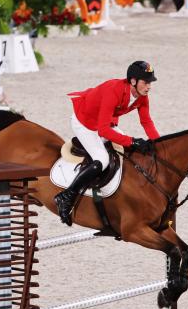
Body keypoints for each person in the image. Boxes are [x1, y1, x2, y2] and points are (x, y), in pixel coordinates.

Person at [54, 60, 162, 226]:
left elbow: (146, 121)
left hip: (104, 122)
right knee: (102, 160)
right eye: (146, 82)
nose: (149, 87)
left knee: (128, 151)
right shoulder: (114, 90)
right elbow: (103, 131)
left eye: (150, 83)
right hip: (85, 122)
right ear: (133, 81)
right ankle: (67, 196)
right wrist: (132, 141)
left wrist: (160, 145)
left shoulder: (142, 97)